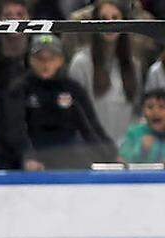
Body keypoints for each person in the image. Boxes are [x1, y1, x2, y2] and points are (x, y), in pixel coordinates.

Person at [3, 35, 114, 170]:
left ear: (60, 60)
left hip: (69, 156)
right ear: (31, 60)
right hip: (34, 158)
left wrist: (110, 155)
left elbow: (90, 125)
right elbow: (16, 128)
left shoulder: (72, 88)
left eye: (51, 58)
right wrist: (28, 157)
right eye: (40, 59)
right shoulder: (20, 88)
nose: (46, 64)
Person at [67, 0, 141, 143]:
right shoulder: (80, 63)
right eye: (103, 19)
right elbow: (75, 113)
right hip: (91, 148)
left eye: (115, 18)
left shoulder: (134, 64)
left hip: (125, 151)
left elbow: (136, 113)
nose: (110, 24)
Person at [0, 0, 30, 99]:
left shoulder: (39, 56)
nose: (14, 20)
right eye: (8, 15)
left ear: (29, 18)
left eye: (20, 14)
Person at [118, 88, 165, 163]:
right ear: (143, 111)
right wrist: (142, 150)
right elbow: (121, 160)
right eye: (150, 107)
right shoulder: (134, 133)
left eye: (162, 107)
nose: (155, 111)